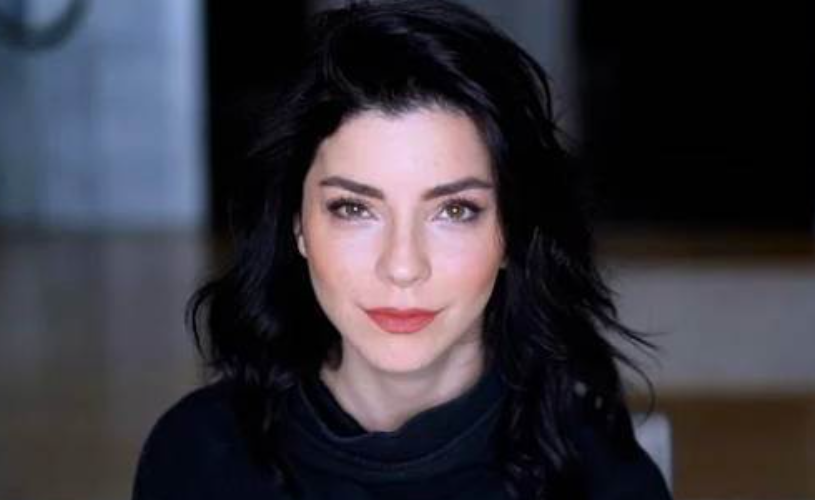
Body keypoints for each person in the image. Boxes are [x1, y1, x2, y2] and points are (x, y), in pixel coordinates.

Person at [132, 1, 672, 499]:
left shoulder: (604, 479)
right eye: (354, 208)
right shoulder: (197, 457)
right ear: (297, 224)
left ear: (512, 230)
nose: (403, 266)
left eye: (454, 210)